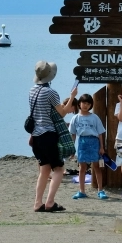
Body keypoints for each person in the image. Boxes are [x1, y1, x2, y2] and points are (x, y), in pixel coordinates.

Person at [28, 60, 78, 213]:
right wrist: (72, 97)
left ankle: (37, 203)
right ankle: (50, 202)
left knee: (44, 170)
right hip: (48, 135)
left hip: (36, 135)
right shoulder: (51, 92)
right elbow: (62, 113)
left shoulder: (32, 91)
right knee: (58, 168)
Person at [69, 93, 107, 200]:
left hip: (94, 141)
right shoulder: (75, 118)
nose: (85, 105)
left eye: (88, 103)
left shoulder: (94, 117)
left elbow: (100, 133)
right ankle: (82, 191)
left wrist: (101, 147)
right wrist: (72, 148)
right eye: (83, 103)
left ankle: (100, 190)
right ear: (79, 104)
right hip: (82, 141)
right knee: (82, 168)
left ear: (91, 105)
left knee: (97, 167)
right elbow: (73, 134)